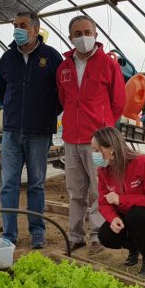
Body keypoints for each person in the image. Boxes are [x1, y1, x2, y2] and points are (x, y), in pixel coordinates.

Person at [56, 15, 125, 255]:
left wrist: (105, 133)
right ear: (70, 37)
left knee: (100, 189)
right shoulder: (64, 67)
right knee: (75, 191)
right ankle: (75, 236)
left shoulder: (108, 64)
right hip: (72, 140)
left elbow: (119, 101)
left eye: (87, 32)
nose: (83, 37)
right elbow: (63, 99)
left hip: (98, 144)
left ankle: (98, 236)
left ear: (96, 35)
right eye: (78, 33)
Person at [0, 11, 63, 248]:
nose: (17, 30)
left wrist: (47, 113)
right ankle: (9, 233)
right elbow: (1, 94)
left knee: (36, 182)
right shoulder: (7, 59)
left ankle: (37, 230)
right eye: (15, 25)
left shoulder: (51, 57)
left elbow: (62, 92)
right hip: (12, 131)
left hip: (39, 131)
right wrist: (15, 113)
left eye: (22, 25)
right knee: (9, 183)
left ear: (35, 29)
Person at [92, 127, 145, 277]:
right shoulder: (104, 171)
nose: (94, 155)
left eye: (96, 150)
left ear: (111, 149)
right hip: (132, 218)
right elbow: (103, 201)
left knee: (136, 214)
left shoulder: (143, 163)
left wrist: (122, 199)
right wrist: (113, 218)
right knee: (106, 236)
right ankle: (135, 248)